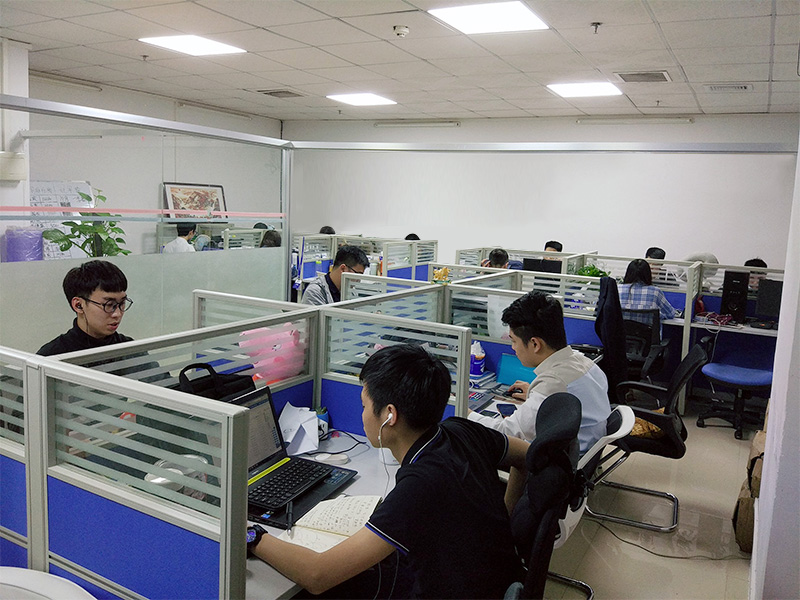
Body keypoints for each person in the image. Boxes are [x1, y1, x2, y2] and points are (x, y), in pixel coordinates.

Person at [249, 344, 528, 598]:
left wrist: (253, 536)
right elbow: (528, 457)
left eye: (364, 405)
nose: (362, 414)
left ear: (389, 415)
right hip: (498, 581)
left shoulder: (420, 485)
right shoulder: (461, 430)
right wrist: (505, 520)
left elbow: (318, 575)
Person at [468, 291, 610, 455]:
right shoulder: (585, 363)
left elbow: (506, 432)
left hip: (559, 461)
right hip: (585, 449)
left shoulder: (553, 383)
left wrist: (466, 413)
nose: (513, 347)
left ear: (535, 344)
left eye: (514, 341)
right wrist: (535, 395)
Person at [38, 260, 134, 356]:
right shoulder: (53, 356)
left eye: (122, 303)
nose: (117, 314)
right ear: (78, 305)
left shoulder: (131, 349)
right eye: (109, 305)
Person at [301, 245, 369, 305]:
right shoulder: (315, 292)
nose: (358, 280)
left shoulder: (350, 290)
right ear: (343, 269)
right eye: (357, 274)